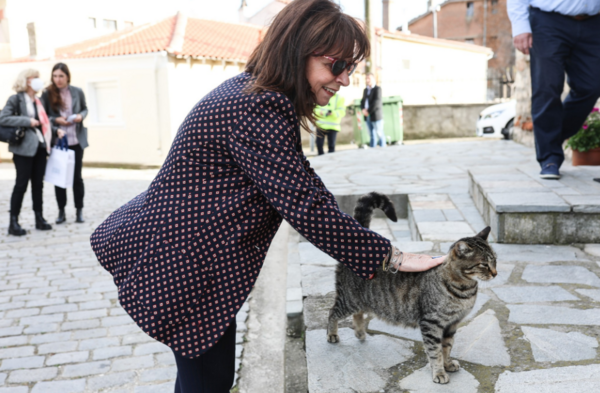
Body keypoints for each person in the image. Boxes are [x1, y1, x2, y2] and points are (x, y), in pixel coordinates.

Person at [90, 1, 446, 391]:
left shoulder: (256, 95)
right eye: (336, 65)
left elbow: (304, 186)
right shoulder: (259, 105)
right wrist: (388, 256)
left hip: (181, 257)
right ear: (299, 52)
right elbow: (306, 209)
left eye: (351, 67)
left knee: (207, 379)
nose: (345, 79)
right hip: (183, 264)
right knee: (207, 382)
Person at [508, 0, 600, 179]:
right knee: (547, 87)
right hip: (548, 22)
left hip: (594, 23)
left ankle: (551, 140)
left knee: (592, 86)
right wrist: (520, 26)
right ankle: (549, 157)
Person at [0, 69, 65, 236]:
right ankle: (13, 222)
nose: (38, 81)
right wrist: (27, 121)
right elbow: (3, 118)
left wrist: (55, 129)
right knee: (21, 184)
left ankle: (39, 218)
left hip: (41, 147)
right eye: (35, 78)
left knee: (38, 185)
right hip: (23, 148)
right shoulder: (16, 99)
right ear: (27, 80)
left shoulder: (38, 100)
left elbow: (44, 121)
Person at [41, 63, 88, 223]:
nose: (58, 79)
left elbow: (84, 109)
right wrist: (56, 120)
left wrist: (81, 116)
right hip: (59, 141)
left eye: (61, 76)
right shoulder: (47, 94)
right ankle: (61, 211)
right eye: (55, 76)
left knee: (77, 178)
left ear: (67, 76)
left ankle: (79, 210)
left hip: (76, 140)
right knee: (60, 177)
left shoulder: (77, 91)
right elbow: (44, 116)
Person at [360, 72, 385, 148]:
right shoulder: (365, 90)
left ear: (374, 79)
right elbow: (362, 101)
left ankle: (383, 149)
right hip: (367, 116)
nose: (367, 80)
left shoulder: (378, 89)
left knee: (379, 133)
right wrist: (363, 109)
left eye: (369, 78)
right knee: (371, 134)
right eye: (366, 79)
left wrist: (368, 111)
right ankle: (372, 150)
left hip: (375, 115)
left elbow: (377, 102)